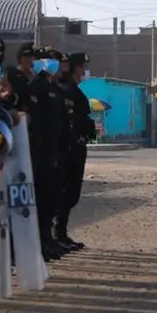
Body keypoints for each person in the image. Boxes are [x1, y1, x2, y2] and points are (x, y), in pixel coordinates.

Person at [29, 48, 68, 261]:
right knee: (42, 197)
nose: (54, 64)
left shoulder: (53, 87)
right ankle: (41, 241)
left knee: (52, 197)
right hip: (41, 149)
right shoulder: (37, 86)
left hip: (54, 148)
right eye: (50, 60)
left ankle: (48, 238)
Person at [56, 52, 95, 250]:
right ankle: (57, 234)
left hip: (77, 145)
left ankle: (61, 233)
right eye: (81, 66)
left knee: (72, 193)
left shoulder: (74, 90)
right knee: (66, 192)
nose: (83, 71)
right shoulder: (67, 90)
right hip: (70, 148)